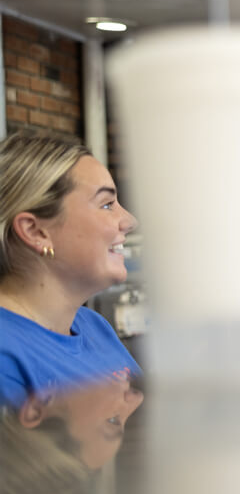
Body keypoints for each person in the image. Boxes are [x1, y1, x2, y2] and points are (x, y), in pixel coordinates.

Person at [0, 132, 145, 473]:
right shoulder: (6, 359)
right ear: (36, 232)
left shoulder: (93, 327)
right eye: (107, 204)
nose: (129, 220)